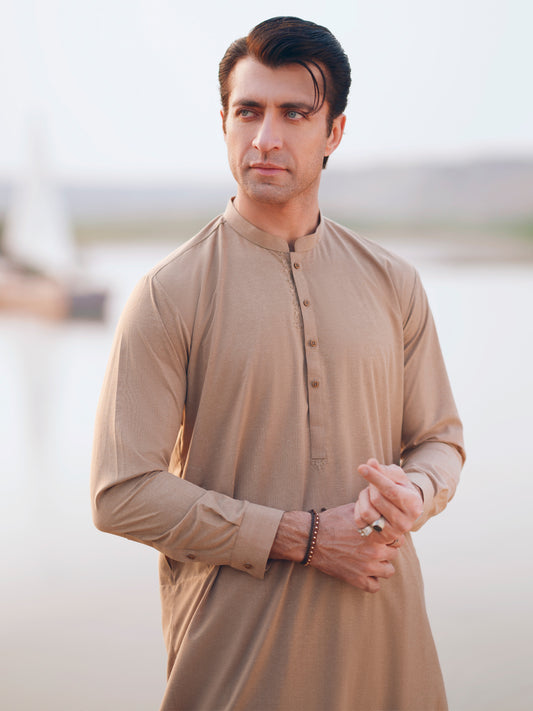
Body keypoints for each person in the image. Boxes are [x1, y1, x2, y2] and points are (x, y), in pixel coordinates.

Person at [91, 16, 465, 711]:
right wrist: (304, 537)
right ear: (224, 123)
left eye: (294, 113)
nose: (266, 137)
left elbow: (440, 439)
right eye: (248, 111)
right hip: (238, 663)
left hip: (389, 652)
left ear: (334, 133)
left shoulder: (393, 283)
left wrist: (416, 491)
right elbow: (121, 492)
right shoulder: (169, 292)